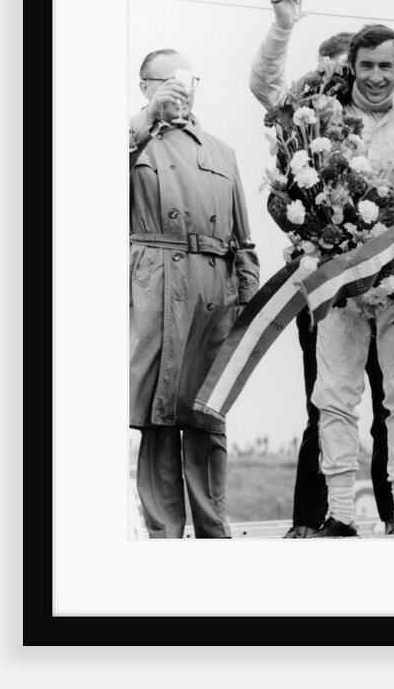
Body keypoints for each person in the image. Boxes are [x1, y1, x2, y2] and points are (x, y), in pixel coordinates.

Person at [250, 0, 394, 537]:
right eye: (367, 66)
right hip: (340, 289)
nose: (376, 77)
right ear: (352, 65)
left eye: (387, 68)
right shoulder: (320, 114)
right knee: (334, 397)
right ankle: (340, 514)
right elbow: (263, 84)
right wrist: (282, 25)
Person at [129, 48, 260, 538]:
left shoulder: (221, 151)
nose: (181, 91)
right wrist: (147, 117)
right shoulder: (133, 142)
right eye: (168, 82)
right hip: (155, 287)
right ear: (146, 86)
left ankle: (213, 530)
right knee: (159, 412)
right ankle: (163, 533)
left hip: (213, 291)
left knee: (208, 410)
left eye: (188, 81)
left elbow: (242, 236)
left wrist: (246, 295)